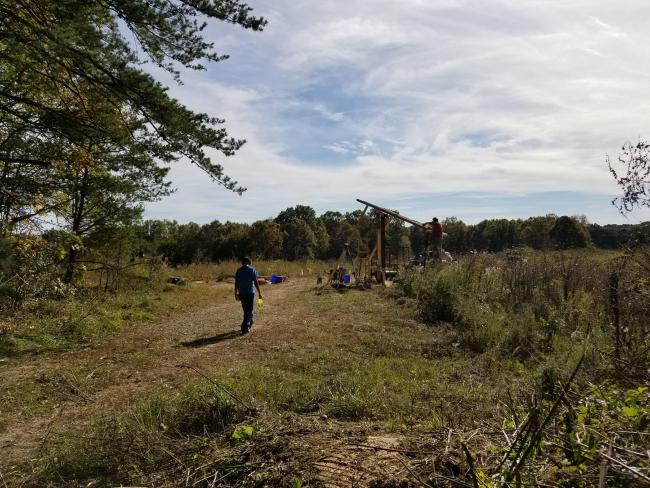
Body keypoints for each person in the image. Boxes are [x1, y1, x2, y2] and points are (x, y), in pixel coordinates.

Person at [235, 257, 263, 334]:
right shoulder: (252, 269)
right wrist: (259, 292)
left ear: (242, 262)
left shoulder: (238, 270)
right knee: (249, 309)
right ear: (249, 262)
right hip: (250, 293)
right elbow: (256, 281)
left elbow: (236, 283)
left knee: (245, 309)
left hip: (242, 293)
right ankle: (245, 326)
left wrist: (235, 293)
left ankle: (250, 321)